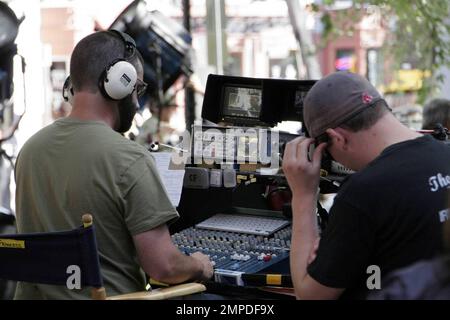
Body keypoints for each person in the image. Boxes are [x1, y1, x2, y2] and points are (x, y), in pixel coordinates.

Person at [14, 30, 213, 299]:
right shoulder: (128, 159)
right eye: (137, 87)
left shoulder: (30, 151)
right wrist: (199, 264)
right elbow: (164, 267)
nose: (136, 99)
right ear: (120, 83)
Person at [282, 71, 450, 299]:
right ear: (382, 108)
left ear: (337, 139)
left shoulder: (362, 193)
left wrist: (303, 195)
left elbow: (310, 295)